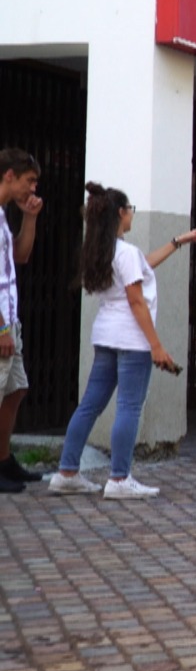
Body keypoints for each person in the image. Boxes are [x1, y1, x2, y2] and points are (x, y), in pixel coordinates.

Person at [49, 184, 196, 499]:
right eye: (130, 208)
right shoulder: (125, 252)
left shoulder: (102, 250)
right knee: (129, 406)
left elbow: (142, 266)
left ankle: (66, 472)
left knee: (90, 405)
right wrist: (156, 346)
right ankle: (120, 478)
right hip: (132, 339)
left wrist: (177, 242)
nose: (132, 213)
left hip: (106, 336)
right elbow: (137, 302)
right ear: (120, 213)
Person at [0, 149, 43, 494]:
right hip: (1, 322)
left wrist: (29, 218)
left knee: (16, 389)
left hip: (10, 318)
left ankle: (3, 460)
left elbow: (21, 256)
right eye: (29, 182)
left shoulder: (3, 215)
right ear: (9, 175)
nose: (32, 190)